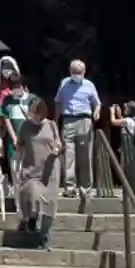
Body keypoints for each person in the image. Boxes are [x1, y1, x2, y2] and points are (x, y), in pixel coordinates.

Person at [14, 97, 61, 249]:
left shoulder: (51, 125)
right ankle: (30, 218)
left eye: (36, 114)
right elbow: (19, 146)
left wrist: (56, 149)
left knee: (49, 203)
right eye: (31, 113)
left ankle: (44, 236)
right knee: (32, 194)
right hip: (31, 169)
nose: (33, 116)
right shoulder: (25, 126)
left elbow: (58, 144)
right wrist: (17, 166)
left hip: (50, 170)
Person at [53, 59, 101, 196]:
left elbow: (97, 103)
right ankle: (70, 188)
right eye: (75, 72)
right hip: (68, 120)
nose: (77, 75)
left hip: (85, 120)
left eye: (79, 72)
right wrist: (55, 121)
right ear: (70, 71)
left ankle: (86, 187)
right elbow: (58, 102)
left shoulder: (89, 85)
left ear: (84, 72)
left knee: (85, 155)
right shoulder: (64, 83)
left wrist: (96, 111)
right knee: (68, 155)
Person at [0, 75, 35, 189]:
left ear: (23, 86)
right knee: (15, 168)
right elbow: (6, 119)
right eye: (13, 87)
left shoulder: (32, 99)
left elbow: (36, 119)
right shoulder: (7, 100)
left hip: (30, 139)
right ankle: (18, 196)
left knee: (30, 167)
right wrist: (14, 138)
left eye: (18, 86)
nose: (16, 89)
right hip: (13, 140)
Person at [110, 101, 135, 194]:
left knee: (130, 170)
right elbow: (124, 124)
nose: (124, 110)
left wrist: (112, 112)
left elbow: (113, 122)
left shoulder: (127, 121)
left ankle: (134, 190)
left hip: (130, 150)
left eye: (126, 108)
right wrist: (119, 114)